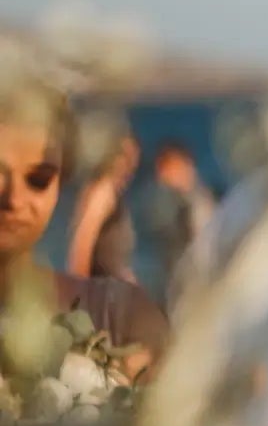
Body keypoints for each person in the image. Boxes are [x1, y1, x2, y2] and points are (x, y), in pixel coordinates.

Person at [0, 83, 166, 374]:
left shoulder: (121, 318)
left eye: (39, 180)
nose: (14, 199)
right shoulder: (100, 194)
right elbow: (82, 242)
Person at [145, 139, 216, 306]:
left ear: (184, 165)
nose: (161, 177)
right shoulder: (176, 204)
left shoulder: (200, 204)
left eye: (166, 169)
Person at [66, 132, 141, 285]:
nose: (129, 165)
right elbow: (82, 245)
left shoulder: (112, 194)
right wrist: (79, 295)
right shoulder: (103, 192)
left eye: (133, 159)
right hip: (100, 295)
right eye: (124, 157)